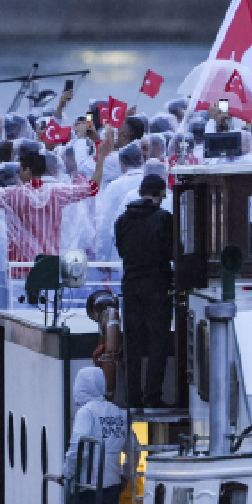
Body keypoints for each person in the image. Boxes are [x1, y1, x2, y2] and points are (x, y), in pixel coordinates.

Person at [0, 134, 114, 284]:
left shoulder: (16, 194)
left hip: (22, 266)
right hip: (63, 262)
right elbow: (85, 232)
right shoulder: (65, 192)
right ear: (55, 168)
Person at [56, 366, 136, 504]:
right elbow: (133, 448)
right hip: (113, 483)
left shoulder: (86, 412)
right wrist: (126, 474)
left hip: (88, 484)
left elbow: (78, 447)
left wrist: (66, 473)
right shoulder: (118, 413)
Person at [114, 174, 176, 408]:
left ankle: (132, 397)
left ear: (140, 192)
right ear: (161, 193)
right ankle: (153, 396)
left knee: (133, 343)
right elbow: (172, 253)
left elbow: (121, 251)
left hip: (131, 286)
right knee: (157, 342)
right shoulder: (164, 219)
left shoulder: (122, 221)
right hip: (158, 286)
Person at [94, 142, 145, 261]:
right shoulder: (151, 181)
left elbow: (105, 222)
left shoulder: (114, 186)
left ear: (121, 163)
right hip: (151, 248)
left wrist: (102, 256)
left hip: (121, 252)